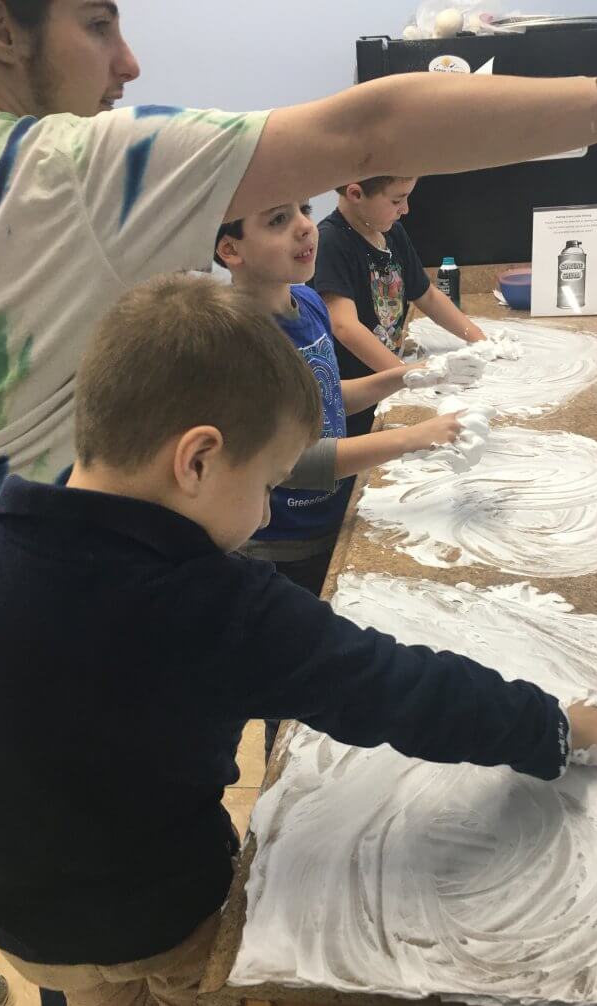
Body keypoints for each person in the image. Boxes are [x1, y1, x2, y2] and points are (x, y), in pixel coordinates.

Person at [0, 274, 597, 1006]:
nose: (269, 506)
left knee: (93, 1002)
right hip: (166, 915)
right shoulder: (222, 606)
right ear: (197, 461)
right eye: (268, 482)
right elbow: (396, 687)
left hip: (22, 921)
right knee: (184, 1004)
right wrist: (554, 726)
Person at [0, 0, 597, 501]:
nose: (128, 63)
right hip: (70, 616)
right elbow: (372, 130)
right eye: (97, 24)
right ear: (1, 29)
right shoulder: (52, 170)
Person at [215, 199, 467, 759]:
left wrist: (407, 379)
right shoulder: (236, 340)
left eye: (303, 210)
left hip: (330, 519)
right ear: (229, 250)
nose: (307, 226)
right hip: (278, 544)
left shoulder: (306, 301)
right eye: (276, 219)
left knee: (331, 667)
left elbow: (330, 398)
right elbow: (290, 461)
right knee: (295, 685)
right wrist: (410, 438)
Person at [315, 176, 486, 436]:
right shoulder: (330, 243)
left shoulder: (390, 231)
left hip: (390, 379)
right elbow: (344, 326)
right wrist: (406, 375)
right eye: (397, 200)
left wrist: (478, 339)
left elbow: (427, 295)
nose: (405, 209)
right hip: (356, 397)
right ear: (355, 194)